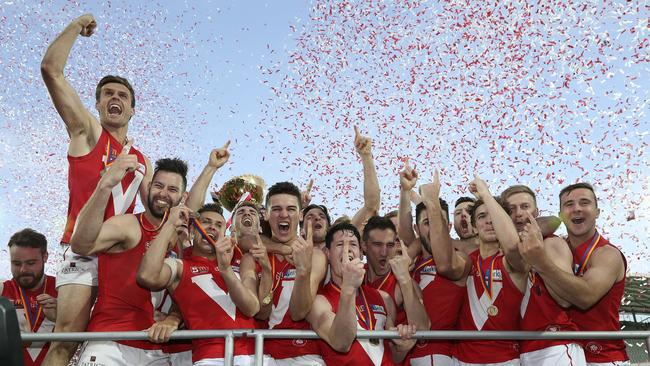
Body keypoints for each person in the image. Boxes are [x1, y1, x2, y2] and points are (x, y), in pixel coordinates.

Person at [41, 14, 152, 366]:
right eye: (107, 94)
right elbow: (51, 71)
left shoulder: (142, 160)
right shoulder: (86, 132)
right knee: (66, 343)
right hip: (84, 253)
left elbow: (157, 211)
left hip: (123, 259)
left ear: (133, 109)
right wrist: (75, 27)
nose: (114, 98)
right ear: (99, 105)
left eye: (122, 95)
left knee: (116, 345)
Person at [70, 155, 190, 365]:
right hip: (111, 342)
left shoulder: (179, 236)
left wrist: (174, 317)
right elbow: (81, 245)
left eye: (172, 190)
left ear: (183, 197)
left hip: (156, 349)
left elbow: (188, 290)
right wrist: (105, 185)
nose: (163, 194)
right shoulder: (128, 225)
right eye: (158, 186)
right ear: (149, 186)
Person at [420, 173, 527, 365]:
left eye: (493, 215)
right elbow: (445, 265)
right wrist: (433, 204)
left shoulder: (515, 261)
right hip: (461, 359)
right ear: (474, 227)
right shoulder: (468, 260)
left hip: (505, 359)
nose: (489, 221)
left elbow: (511, 246)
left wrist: (485, 195)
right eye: (481, 216)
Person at [137, 202, 262, 365]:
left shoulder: (237, 265)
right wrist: (169, 225)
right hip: (211, 359)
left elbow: (252, 308)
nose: (212, 227)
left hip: (255, 355)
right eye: (206, 222)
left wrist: (225, 269)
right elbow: (147, 276)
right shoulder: (181, 266)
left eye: (219, 225)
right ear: (192, 231)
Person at [518, 183, 629, 365]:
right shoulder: (558, 246)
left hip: (603, 357)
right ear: (561, 214)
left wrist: (540, 262)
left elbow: (585, 297)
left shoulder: (607, 254)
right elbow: (536, 225)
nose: (577, 208)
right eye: (569, 204)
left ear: (597, 212)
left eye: (584, 203)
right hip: (566, 350)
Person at [307, 223, 417, 365]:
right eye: (340, 244)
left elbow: (391, 355)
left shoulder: (383, 297)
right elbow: (341, 342)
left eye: (353, 244)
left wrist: (402, 348)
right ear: (327, 253)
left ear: (360, 252)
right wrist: (348, 288)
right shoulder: (318, 302)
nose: (347, 250)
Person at [501, 185, 585, 365]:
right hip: (522, 347)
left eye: (525, 207)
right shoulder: (501, 251)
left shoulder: (551, 243)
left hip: (556, 345)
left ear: (536, 211)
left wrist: (538, 261)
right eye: (511, 209)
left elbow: (564, 299)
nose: (518, 214)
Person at [255, 181, 328, 365]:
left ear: (301, 214)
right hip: (259, 353)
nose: (284, 214)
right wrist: (268, 268)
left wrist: (303, 270)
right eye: (277, 209)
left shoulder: (316, 256)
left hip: (305, 354)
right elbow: (260, 313)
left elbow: (299, 312)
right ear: (266, 213)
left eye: (291, 209)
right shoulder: (254, 255)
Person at [405, 201, 465, 366]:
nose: (434, 228)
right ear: (416, 229)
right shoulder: (410, 260)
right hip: (403, 352)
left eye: (439, 221)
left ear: (449, 226)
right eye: (427, 223)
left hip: (436, 354)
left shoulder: (459, 258)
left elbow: (448, 263)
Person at [1, 229, 57, 366]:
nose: (23, 270)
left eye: (30, 263)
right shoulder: (2, 290)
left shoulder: (63, 289)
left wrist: (62, 316)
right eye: (16, 263)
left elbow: (81, 337)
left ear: (45, 257)